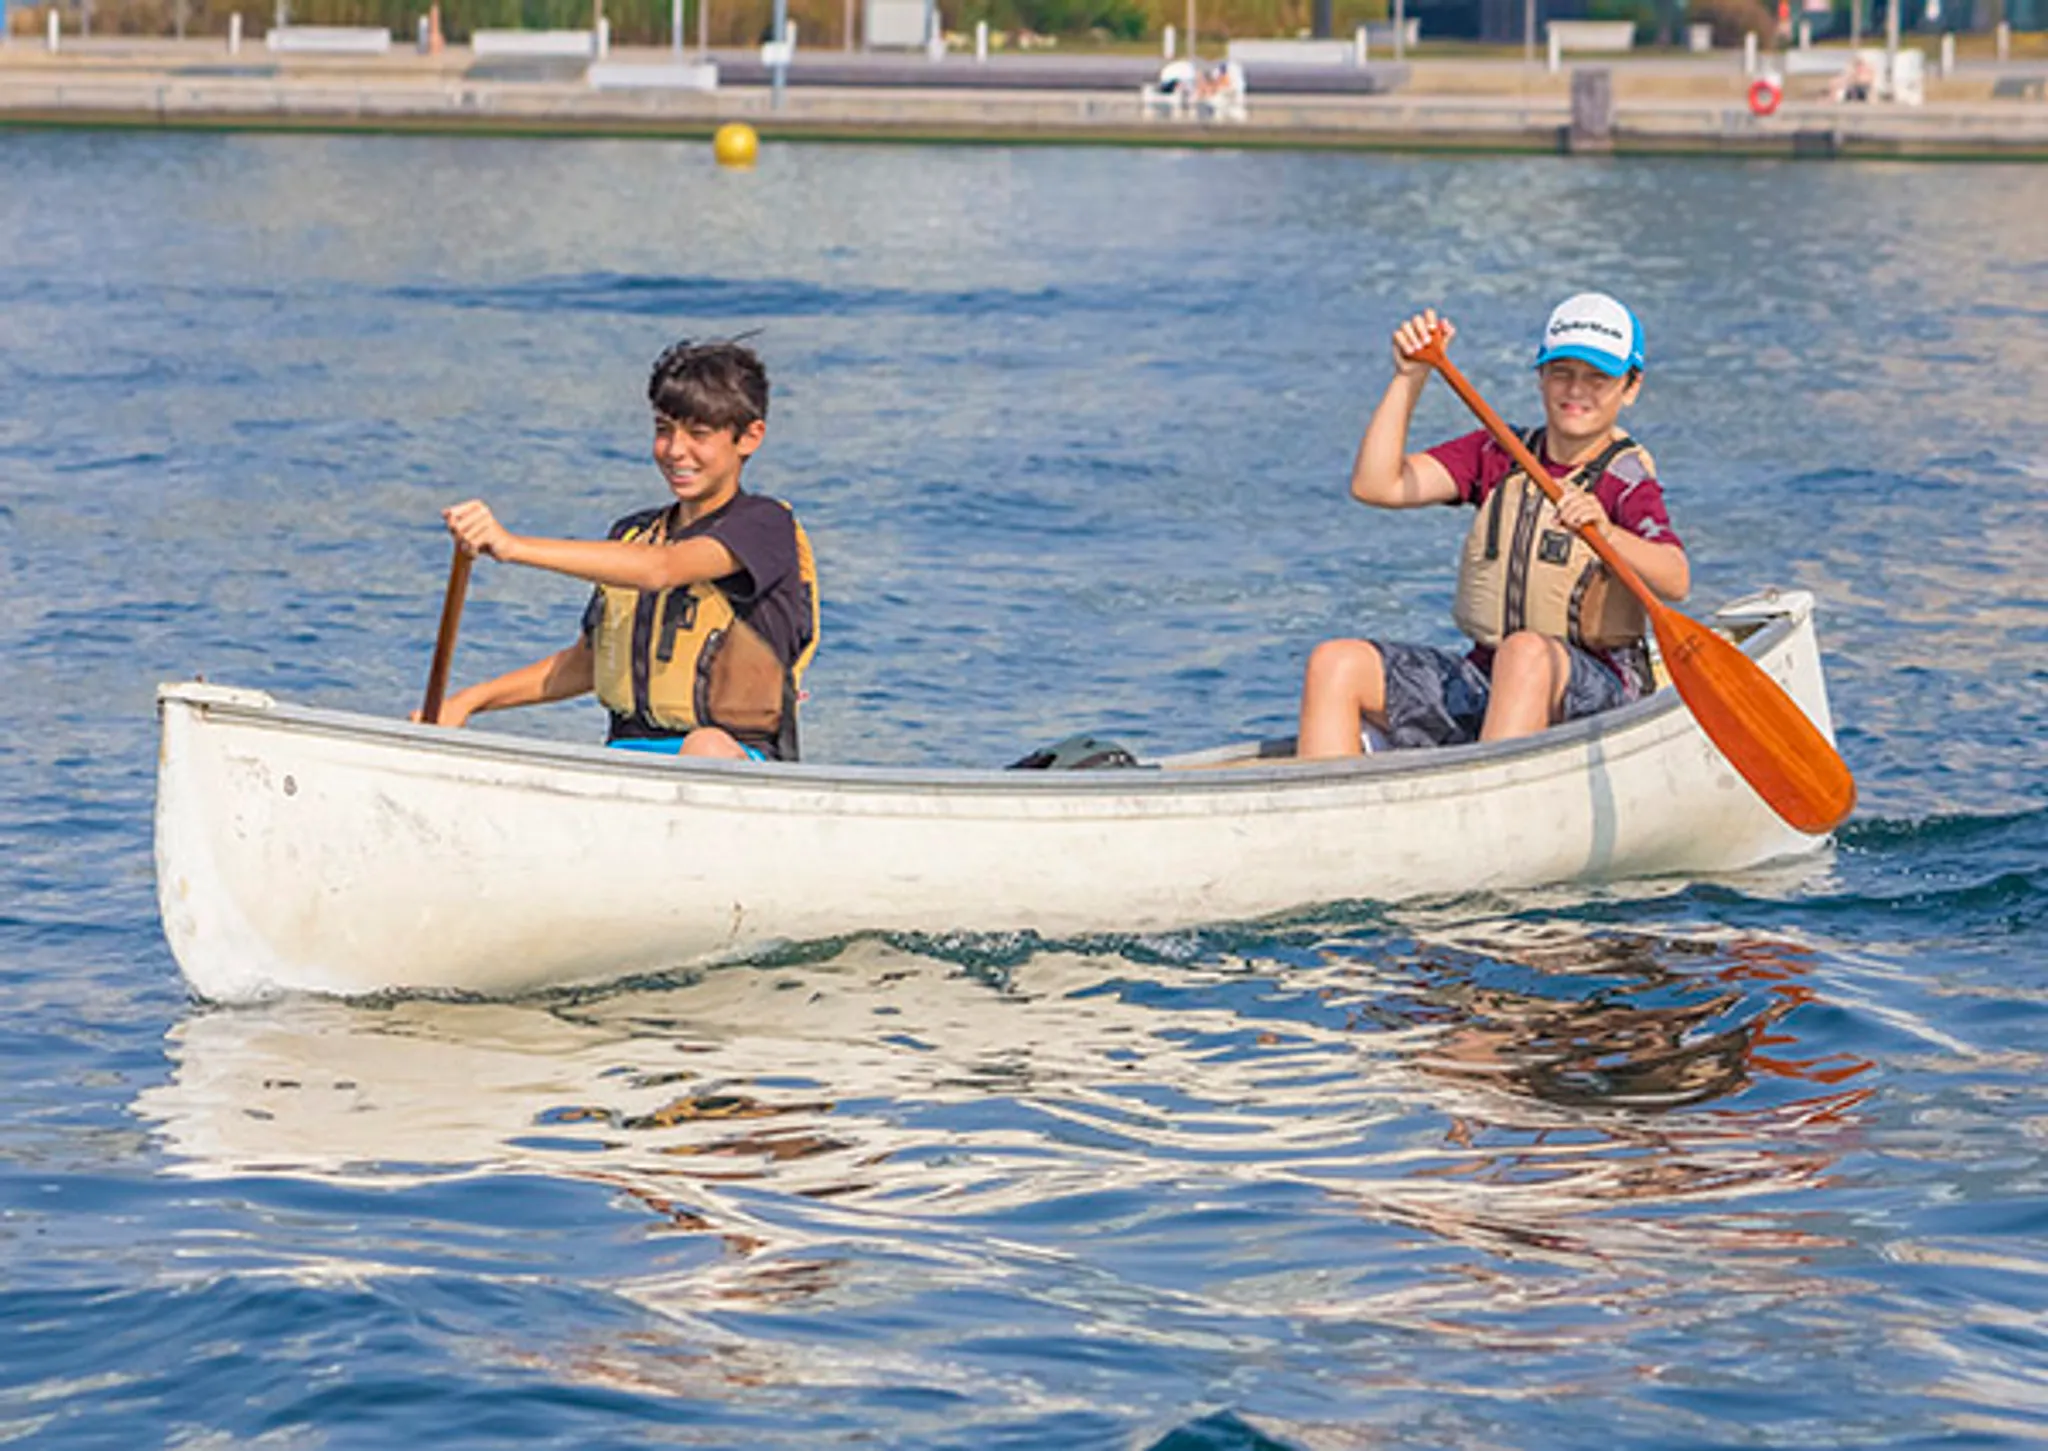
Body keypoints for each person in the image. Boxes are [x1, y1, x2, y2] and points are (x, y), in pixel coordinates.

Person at [1295, 294, 1689, 758]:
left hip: (1600, 688)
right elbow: (1376, 484)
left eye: (1597, 378)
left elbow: (1676, 580)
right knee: (1335, 663)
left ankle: (1489, 791)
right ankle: (1327, 798)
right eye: (1561, 372)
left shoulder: (1625, 481)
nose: (1576, 390)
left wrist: (1607, 533)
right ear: (1541, 377)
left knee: (1524, 653)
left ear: (1630, 387)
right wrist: (1410, 378)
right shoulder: (1498, 454)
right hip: (1488, 679)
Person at [423, 338, 820, 762]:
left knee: (704, 745)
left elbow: (663, 570)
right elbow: (586, 665)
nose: (675, 450)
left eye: (698, 434)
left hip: (736, 757)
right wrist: (467, 702)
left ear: (749, 437)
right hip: (627, 757)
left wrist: (512, 546)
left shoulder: (765, 526)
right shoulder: (633, 535)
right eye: (663, 430)